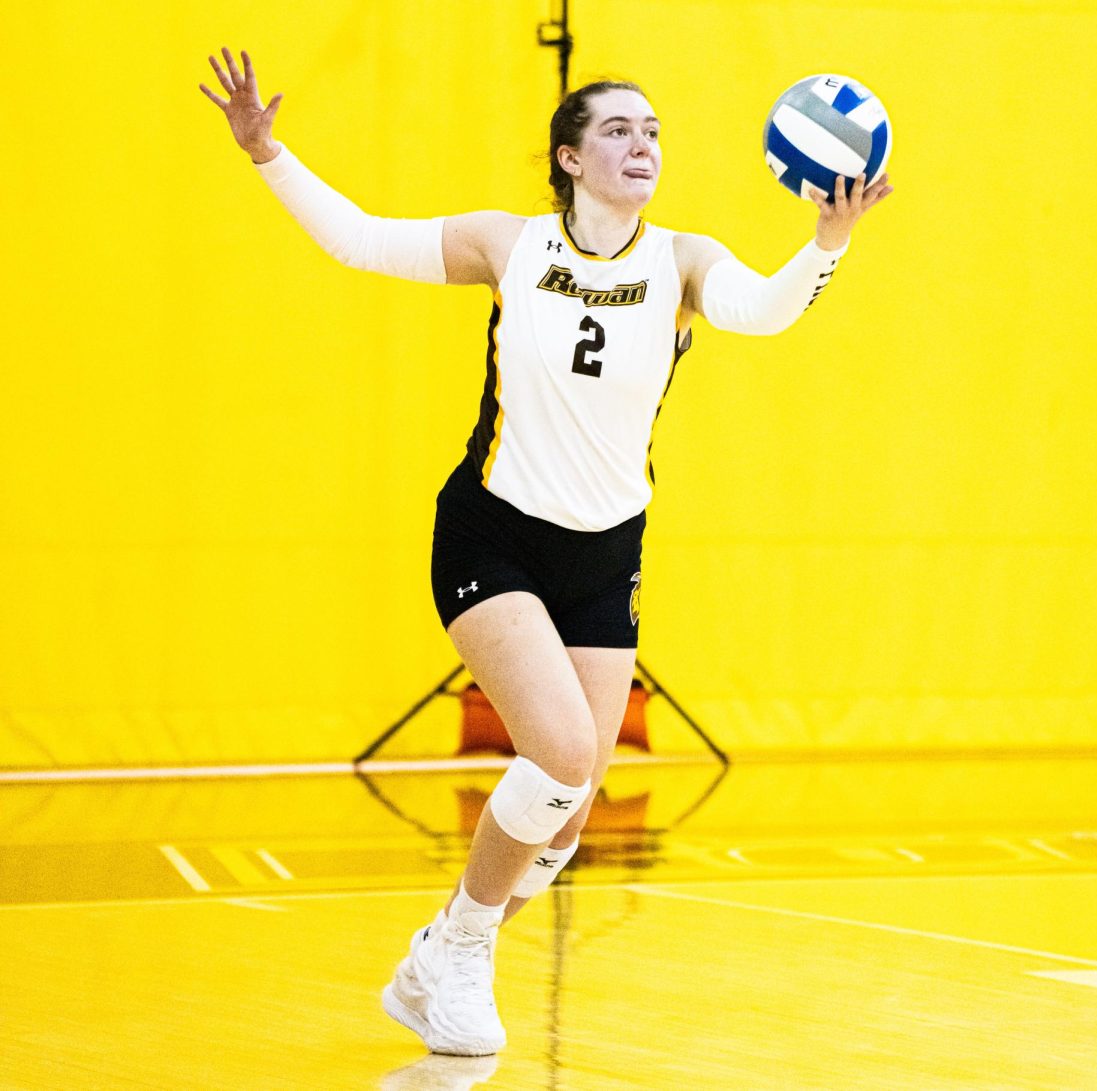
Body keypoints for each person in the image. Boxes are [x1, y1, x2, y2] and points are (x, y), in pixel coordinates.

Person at [200, 46, 892, 1057]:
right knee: (562, 755)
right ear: (568, 157)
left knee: (564, 820)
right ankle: (464, 947)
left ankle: (438, 951)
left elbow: (762, 310)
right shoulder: (508, 244)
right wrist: (268, 153)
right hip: (495, 531)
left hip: (606, 554)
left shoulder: (682, 264)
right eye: (617, 129)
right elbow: (358, 240)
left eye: (653, 131)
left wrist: (825, 242)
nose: (641, 145)